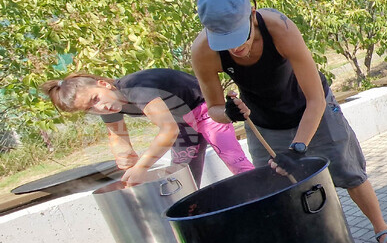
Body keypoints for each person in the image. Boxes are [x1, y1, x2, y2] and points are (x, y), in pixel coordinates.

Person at [190, 0, 387, 243]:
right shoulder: (203, 51)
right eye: (224, 41)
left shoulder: (279, 27)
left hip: (312, 107)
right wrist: (228, 113)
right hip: (263, 122)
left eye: (239, 36)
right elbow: (214, 109)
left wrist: (297, 147)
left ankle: (382, 229)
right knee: (274, 187)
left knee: (348, 171)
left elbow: (315, 99)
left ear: (252, 14)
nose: (235, 48)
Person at [41, 70, 254, 186]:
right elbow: (119, 140)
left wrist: (142, 167)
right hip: (183, 126)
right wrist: (127, 164)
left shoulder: (135, 88)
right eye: (90, 108)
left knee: (236, 162)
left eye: (95, 98)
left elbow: (167, 131)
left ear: (103, 84)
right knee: (182, 179)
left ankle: (266, 199)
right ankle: (191, 228)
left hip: (206, 113)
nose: (100, 107)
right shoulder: (109, 106)